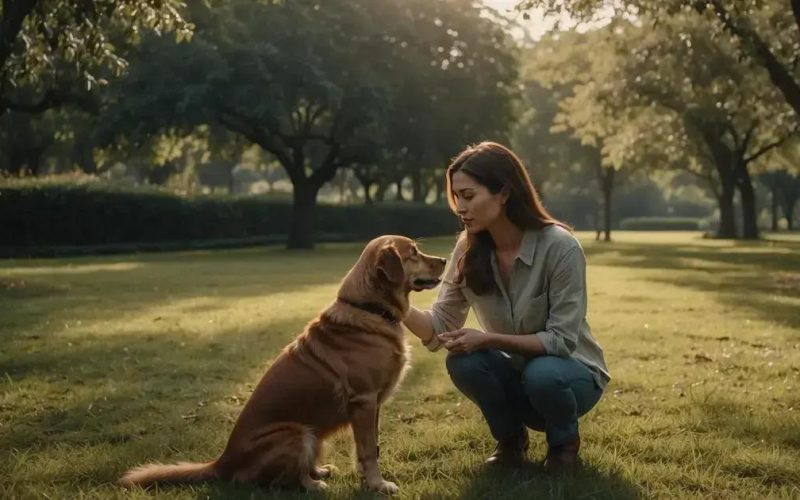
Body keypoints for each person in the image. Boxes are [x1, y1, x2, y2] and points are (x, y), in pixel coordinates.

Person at [403, 141, 610, 472]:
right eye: (456, 197)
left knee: (542, 372)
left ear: (504, 192)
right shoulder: (467, 249)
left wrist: (488, 339)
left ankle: (563, 445)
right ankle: (511, 442)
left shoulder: (560, 247)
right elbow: (441, 324)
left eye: (469, 196)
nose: (459, 207)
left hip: (571, 376)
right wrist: (395, 303)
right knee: (464, 362)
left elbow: (560, 341)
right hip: (516, 375)